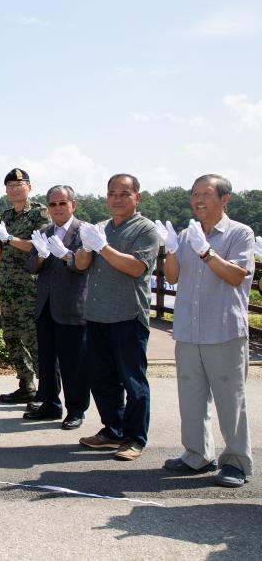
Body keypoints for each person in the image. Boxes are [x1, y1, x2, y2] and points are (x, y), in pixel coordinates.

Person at [158, 174, 255, 487]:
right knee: (191, 397)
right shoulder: (188, 234)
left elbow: (236, 276)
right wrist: (172, 249)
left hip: (223, 329)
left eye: (206, 194)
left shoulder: (240, 233)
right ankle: (197, 454)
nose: (198, 200)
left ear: (225, 199)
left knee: (231, 400)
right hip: (188, 328)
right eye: (194, 194)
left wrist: (207, 252)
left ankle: (237, 461)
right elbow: (172, 277)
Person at [75, 173, 160, 461]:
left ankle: (135, 438)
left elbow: (137, 268)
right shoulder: (100, 228)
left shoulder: (145, 229)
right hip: (97, 314)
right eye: (112, 193)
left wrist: (102, 247)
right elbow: (81, 264)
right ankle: (113, 430)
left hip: (127, 315)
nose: (117, 199)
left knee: (133, 380)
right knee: (101, 378)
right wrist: (87, 247)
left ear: (137, 196)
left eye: (124, 194)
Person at [23, 185, 89, 429]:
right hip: (46, 305)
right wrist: (40, 254)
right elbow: (32, 266)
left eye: (63, 203)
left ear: (73, 205)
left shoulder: (84, 231)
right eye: (53, 204)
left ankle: (76, 409)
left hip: (72, 306)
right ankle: (50, 403)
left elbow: (83, 266)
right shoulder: (43, 231)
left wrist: (64, 255)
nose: (58, 208)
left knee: (74, 363)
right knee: (47, 360)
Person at [0, 168, 49, 404]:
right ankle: (26, 384)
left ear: (29, 187)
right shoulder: (6, 216)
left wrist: (10, 238)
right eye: (10, 186)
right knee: (12, 337)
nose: (13, 189)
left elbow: (40, 246)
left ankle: (47, 390)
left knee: (34, 338)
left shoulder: (39, 213)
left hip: (30, 286)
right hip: (9, 284)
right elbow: (3, 256)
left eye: (18, 185)